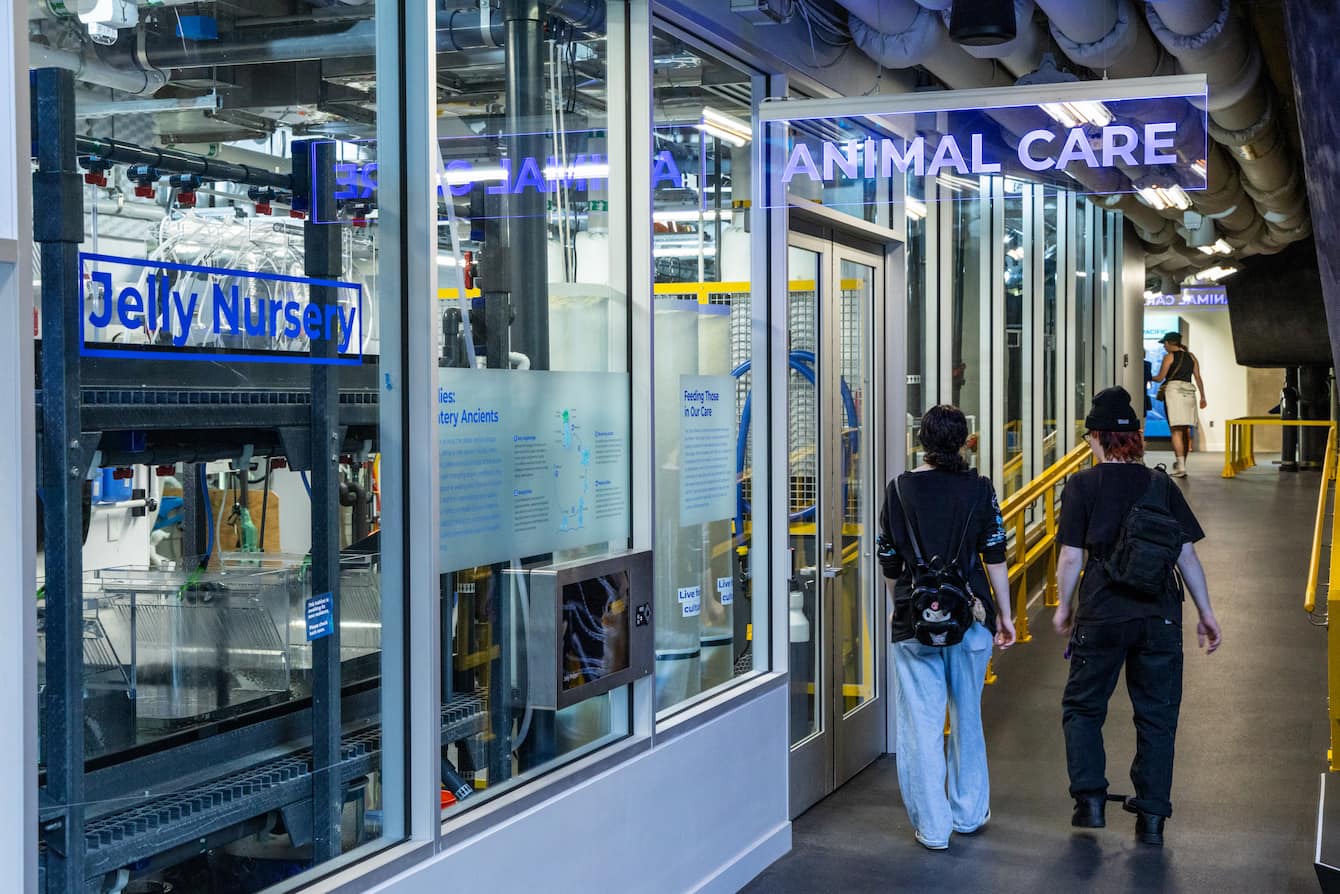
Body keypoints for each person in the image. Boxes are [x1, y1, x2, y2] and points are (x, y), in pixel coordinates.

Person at [1053, 387, 1223, 847]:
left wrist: (1064, 607)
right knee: (1156, 717)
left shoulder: (1083, 485)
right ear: (1133, 439)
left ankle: (1089, 799)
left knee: (1084, 707)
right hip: (1159, 615)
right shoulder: (1159, 484)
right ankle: (1151, 819)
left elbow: (1071, 558)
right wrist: (1206, 612)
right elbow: (1186, 554)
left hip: (1103, 614)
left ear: (1097, 437)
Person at [877, 405, 1017, 851]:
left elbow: (889, 562)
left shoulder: (898, 490)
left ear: (922, 440)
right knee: (967, 717)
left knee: (921, 725)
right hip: (971, 620)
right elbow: (994, 553)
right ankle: (969, 812)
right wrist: (1005, 616)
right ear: (963, 442)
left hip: (914, 623)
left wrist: (901, 608)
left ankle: (934, 827)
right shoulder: (979, 489)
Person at [1150, 332, 1206, 477]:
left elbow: (1160, 377)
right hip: (1189, 393)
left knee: (1176, 431)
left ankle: (1181, 467)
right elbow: (1198, 378)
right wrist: (1203, 397)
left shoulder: (1169, 357)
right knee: (1185, 429)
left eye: (1164, 344)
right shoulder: (1191, 356)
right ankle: (1182, 465)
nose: (1164, 346)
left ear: (1169, 343)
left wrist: (1146, 375)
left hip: (1174, 393)